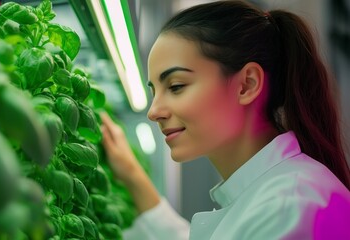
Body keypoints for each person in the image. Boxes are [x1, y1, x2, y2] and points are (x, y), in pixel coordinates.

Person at [100, 0, 350, 239]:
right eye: (154, 91)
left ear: (246, 85)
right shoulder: (273, 195)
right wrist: (132, 175)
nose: (154, 112)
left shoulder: (291, 208)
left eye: (176, 86)